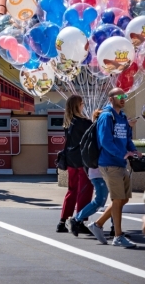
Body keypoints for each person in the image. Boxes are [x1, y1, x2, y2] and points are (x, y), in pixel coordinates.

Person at [87, 88, 140, 248]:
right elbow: (105, 141)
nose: (123, 98)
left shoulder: (122, 117)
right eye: (119, 96)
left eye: (124, 96)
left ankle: (97, 224)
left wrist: (133, 150)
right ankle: (118, 236)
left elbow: (126, 138)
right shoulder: (106, 116)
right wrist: (121, 153)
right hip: (109, 163)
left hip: (120, 163)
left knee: (124, 199)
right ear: (111, 99)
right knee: (117, 199)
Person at [58, 94, 92, 234]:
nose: (83, 105)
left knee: (72, 190)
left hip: (71, 160)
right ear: (78, 105)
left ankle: (62, 221)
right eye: (82, 103)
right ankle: (80, 221)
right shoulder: (84, 122)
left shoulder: (68, 122)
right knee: (85, 190)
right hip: (83, 161)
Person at [73, 109, 109, 236]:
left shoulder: (98, 132)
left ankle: (116, 228)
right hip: (98, 171)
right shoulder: (97, 134)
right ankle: (76, 219)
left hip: (101, 171)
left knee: (111, 199)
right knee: (100, 200)